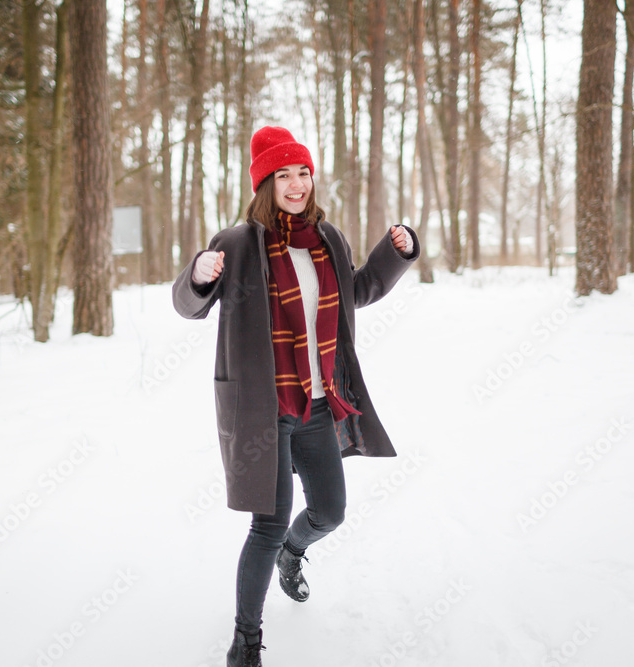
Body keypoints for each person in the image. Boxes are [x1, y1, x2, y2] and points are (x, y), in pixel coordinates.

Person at [172, 126, 420, 667]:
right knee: (265, 523)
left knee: (330, 512)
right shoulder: (237, 244)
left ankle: (294, 551)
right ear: (265, 183)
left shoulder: (328, 240)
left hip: (317, 403)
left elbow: (354, 293)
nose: (296, 183)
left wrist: (394, 255)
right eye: (283, 174)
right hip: (265, 410)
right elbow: (189, 306)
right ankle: (246, 642)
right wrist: (196, 275)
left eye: (302, 172)